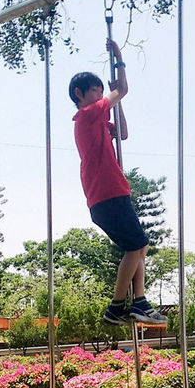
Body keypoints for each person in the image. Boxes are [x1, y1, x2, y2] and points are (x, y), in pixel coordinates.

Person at [69, 39, 167, 327]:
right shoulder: (86, 116)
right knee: (135, 246)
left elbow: (122, 133)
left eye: (102, 91)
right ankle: (118, 306)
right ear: (79, 93)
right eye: (97, 91)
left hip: (112, 193)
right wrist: (120, 59)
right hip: (106, 194)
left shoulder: (98, 121)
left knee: (139, 247)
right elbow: (122, 89)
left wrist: (117, 103)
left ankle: (138, 302)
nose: (103, 95)